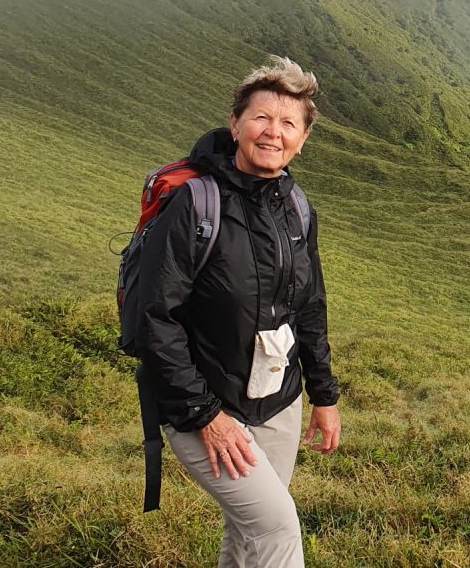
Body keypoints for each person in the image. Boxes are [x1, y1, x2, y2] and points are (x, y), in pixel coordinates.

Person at [137, 56, 341, 567]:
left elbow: (309, 305)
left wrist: (324, 394)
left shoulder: (296, 206)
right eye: (261, 118)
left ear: (303, 138)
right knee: (275, 526)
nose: (273, 132)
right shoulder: (195, 205)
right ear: (235, 125)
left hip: (276, 399)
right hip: (202, 407)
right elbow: (153, 319)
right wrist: (208, 417)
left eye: (289, 123)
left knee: (251, 532)